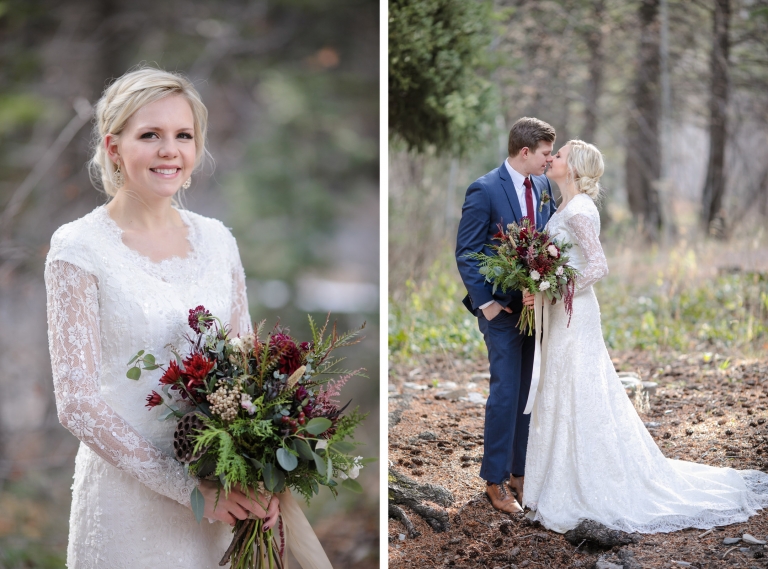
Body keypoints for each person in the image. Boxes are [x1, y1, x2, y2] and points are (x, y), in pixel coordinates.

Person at [44, 67, 281, 568]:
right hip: (128, 504)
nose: (169, 150)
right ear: (113, 147)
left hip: (224, 493)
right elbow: (77, 404)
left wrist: (263, 474)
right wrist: (187, 487)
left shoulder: (218, 240)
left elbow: (248, 368)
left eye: (183, 135)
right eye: (150, 135)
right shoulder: (78, 248)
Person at [523, 139, 768, 533]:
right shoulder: (565, 206)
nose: (552, 158)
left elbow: (598, 265)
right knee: (561, 386)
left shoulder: (580, 209)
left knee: (576, 387)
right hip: (562, 311)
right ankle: (554, 479)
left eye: (561, 155)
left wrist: (557, 289)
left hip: (574, 313)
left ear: (575, 167)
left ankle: (585, 482)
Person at [455, 117, 558, 514]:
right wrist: (489, 304)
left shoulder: (543, 187)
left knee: (527, 392)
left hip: (536, 310)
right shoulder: (484, 189)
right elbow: (467, 251)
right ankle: (494, 480)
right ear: (525, 151)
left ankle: (520, 472)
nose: (549, 160)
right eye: (546, 153)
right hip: (501, 312)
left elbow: (547, 242)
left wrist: (543, 286)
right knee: (505, 392)